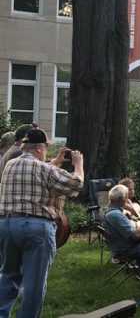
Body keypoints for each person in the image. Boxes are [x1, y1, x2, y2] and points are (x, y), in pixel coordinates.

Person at [0, 128, 84, 318]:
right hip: (34, 228)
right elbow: (75, 184)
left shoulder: (10, 165)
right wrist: (78, 165)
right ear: (39, 149)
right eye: (46, 147)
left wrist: (55, 162)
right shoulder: (45, 169)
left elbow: (36, 172)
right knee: (34, 284)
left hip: (6, 226)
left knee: (8, 276)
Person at [103, 184, 140, 266]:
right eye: (127, 196)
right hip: (126, 251)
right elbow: (135, 236)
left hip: (125, 246)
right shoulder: (115, 215)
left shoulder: (114, 212)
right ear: (123, 199)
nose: (128, 198)